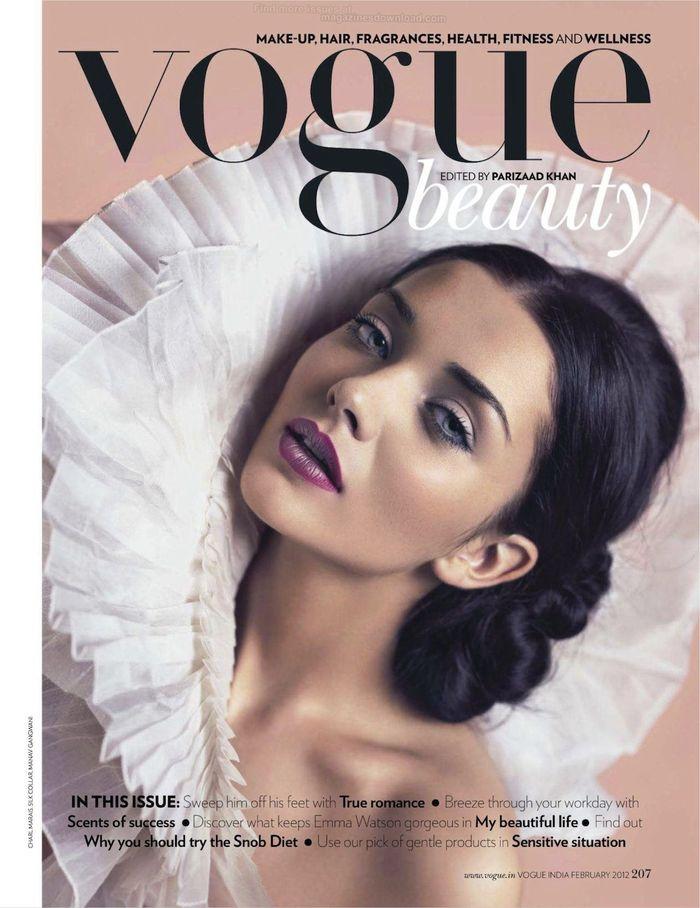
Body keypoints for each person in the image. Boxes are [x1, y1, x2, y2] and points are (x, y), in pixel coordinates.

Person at [223, 243, 687, 907]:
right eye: (375, 335)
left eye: (447, 422)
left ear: (486, 555)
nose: (357, 391)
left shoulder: (436, 852)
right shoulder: (116, 561)